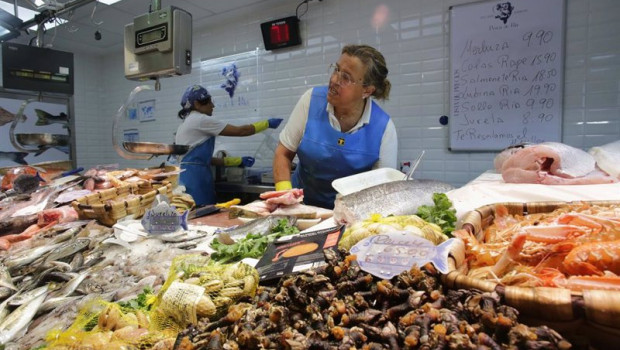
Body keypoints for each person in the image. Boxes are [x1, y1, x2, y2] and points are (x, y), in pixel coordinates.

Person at [273, 44, 397, 209]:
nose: (334, 80)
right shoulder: (310, 101)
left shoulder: (384, 127)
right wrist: (285, 197)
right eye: (336, 69)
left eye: (346, 77)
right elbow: (283, 153)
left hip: (350, 215)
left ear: (367, 90)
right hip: (301, 208)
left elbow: (384, 190)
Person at [175, 85, 283, 206]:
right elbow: (242, 131)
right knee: (202, 215)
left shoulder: (185, 124)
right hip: (196, 180)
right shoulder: (200, 120)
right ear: (197, 104)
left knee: (196, 216)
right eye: (209, 102)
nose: (213, 106)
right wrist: (267, 123)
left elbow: (206, 160)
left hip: (189, 177)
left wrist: (237, 161)